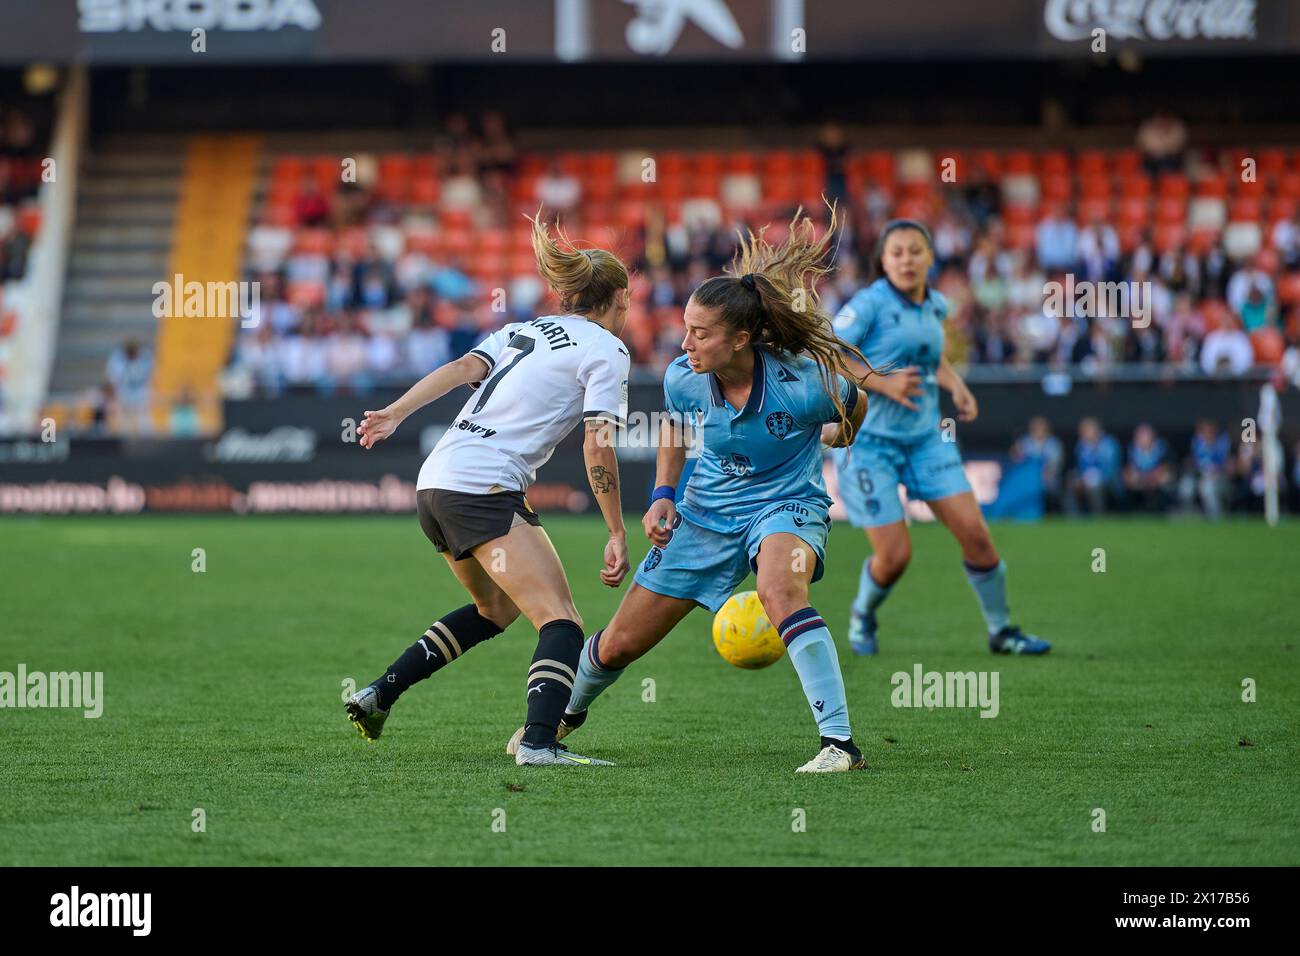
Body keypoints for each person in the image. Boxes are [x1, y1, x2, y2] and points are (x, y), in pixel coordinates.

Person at [510, 209, 874, 773]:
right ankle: (559, 721)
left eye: (700, 333)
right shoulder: (684, 375)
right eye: (686, 327)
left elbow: (854, 402)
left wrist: (837, 433)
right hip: (704, 513)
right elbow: (676, 431)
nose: (686, 342)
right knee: (618, 644)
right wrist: (662, 495)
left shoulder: (800, 384)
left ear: (742, 339)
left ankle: (839, 744)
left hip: (787, 506)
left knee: (781, 592)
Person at [345, 214, 633, 768]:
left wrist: (395, 414)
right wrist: (617, 530)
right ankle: (538, 743)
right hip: (483, 488)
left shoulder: (521, 330)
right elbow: (598, 445)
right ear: (619, 297)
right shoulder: (606, 350)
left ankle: (379, 692)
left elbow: (459, 368)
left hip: (435, 483)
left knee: (494, 608)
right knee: (561, 620)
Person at [830, 220, 1048, 657]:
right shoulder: (868, 305)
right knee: (894, 558)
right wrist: (881, 382)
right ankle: (862, 614)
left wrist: (956, 385)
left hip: (927, 440)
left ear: (930, 257)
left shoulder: (935, 305)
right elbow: (830, 353)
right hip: (869, 444)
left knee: (978, 537)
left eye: (915, 251)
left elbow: (931, 356)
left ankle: (1002, 631)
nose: (906, 259)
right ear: (883, 261)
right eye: (897, 252)